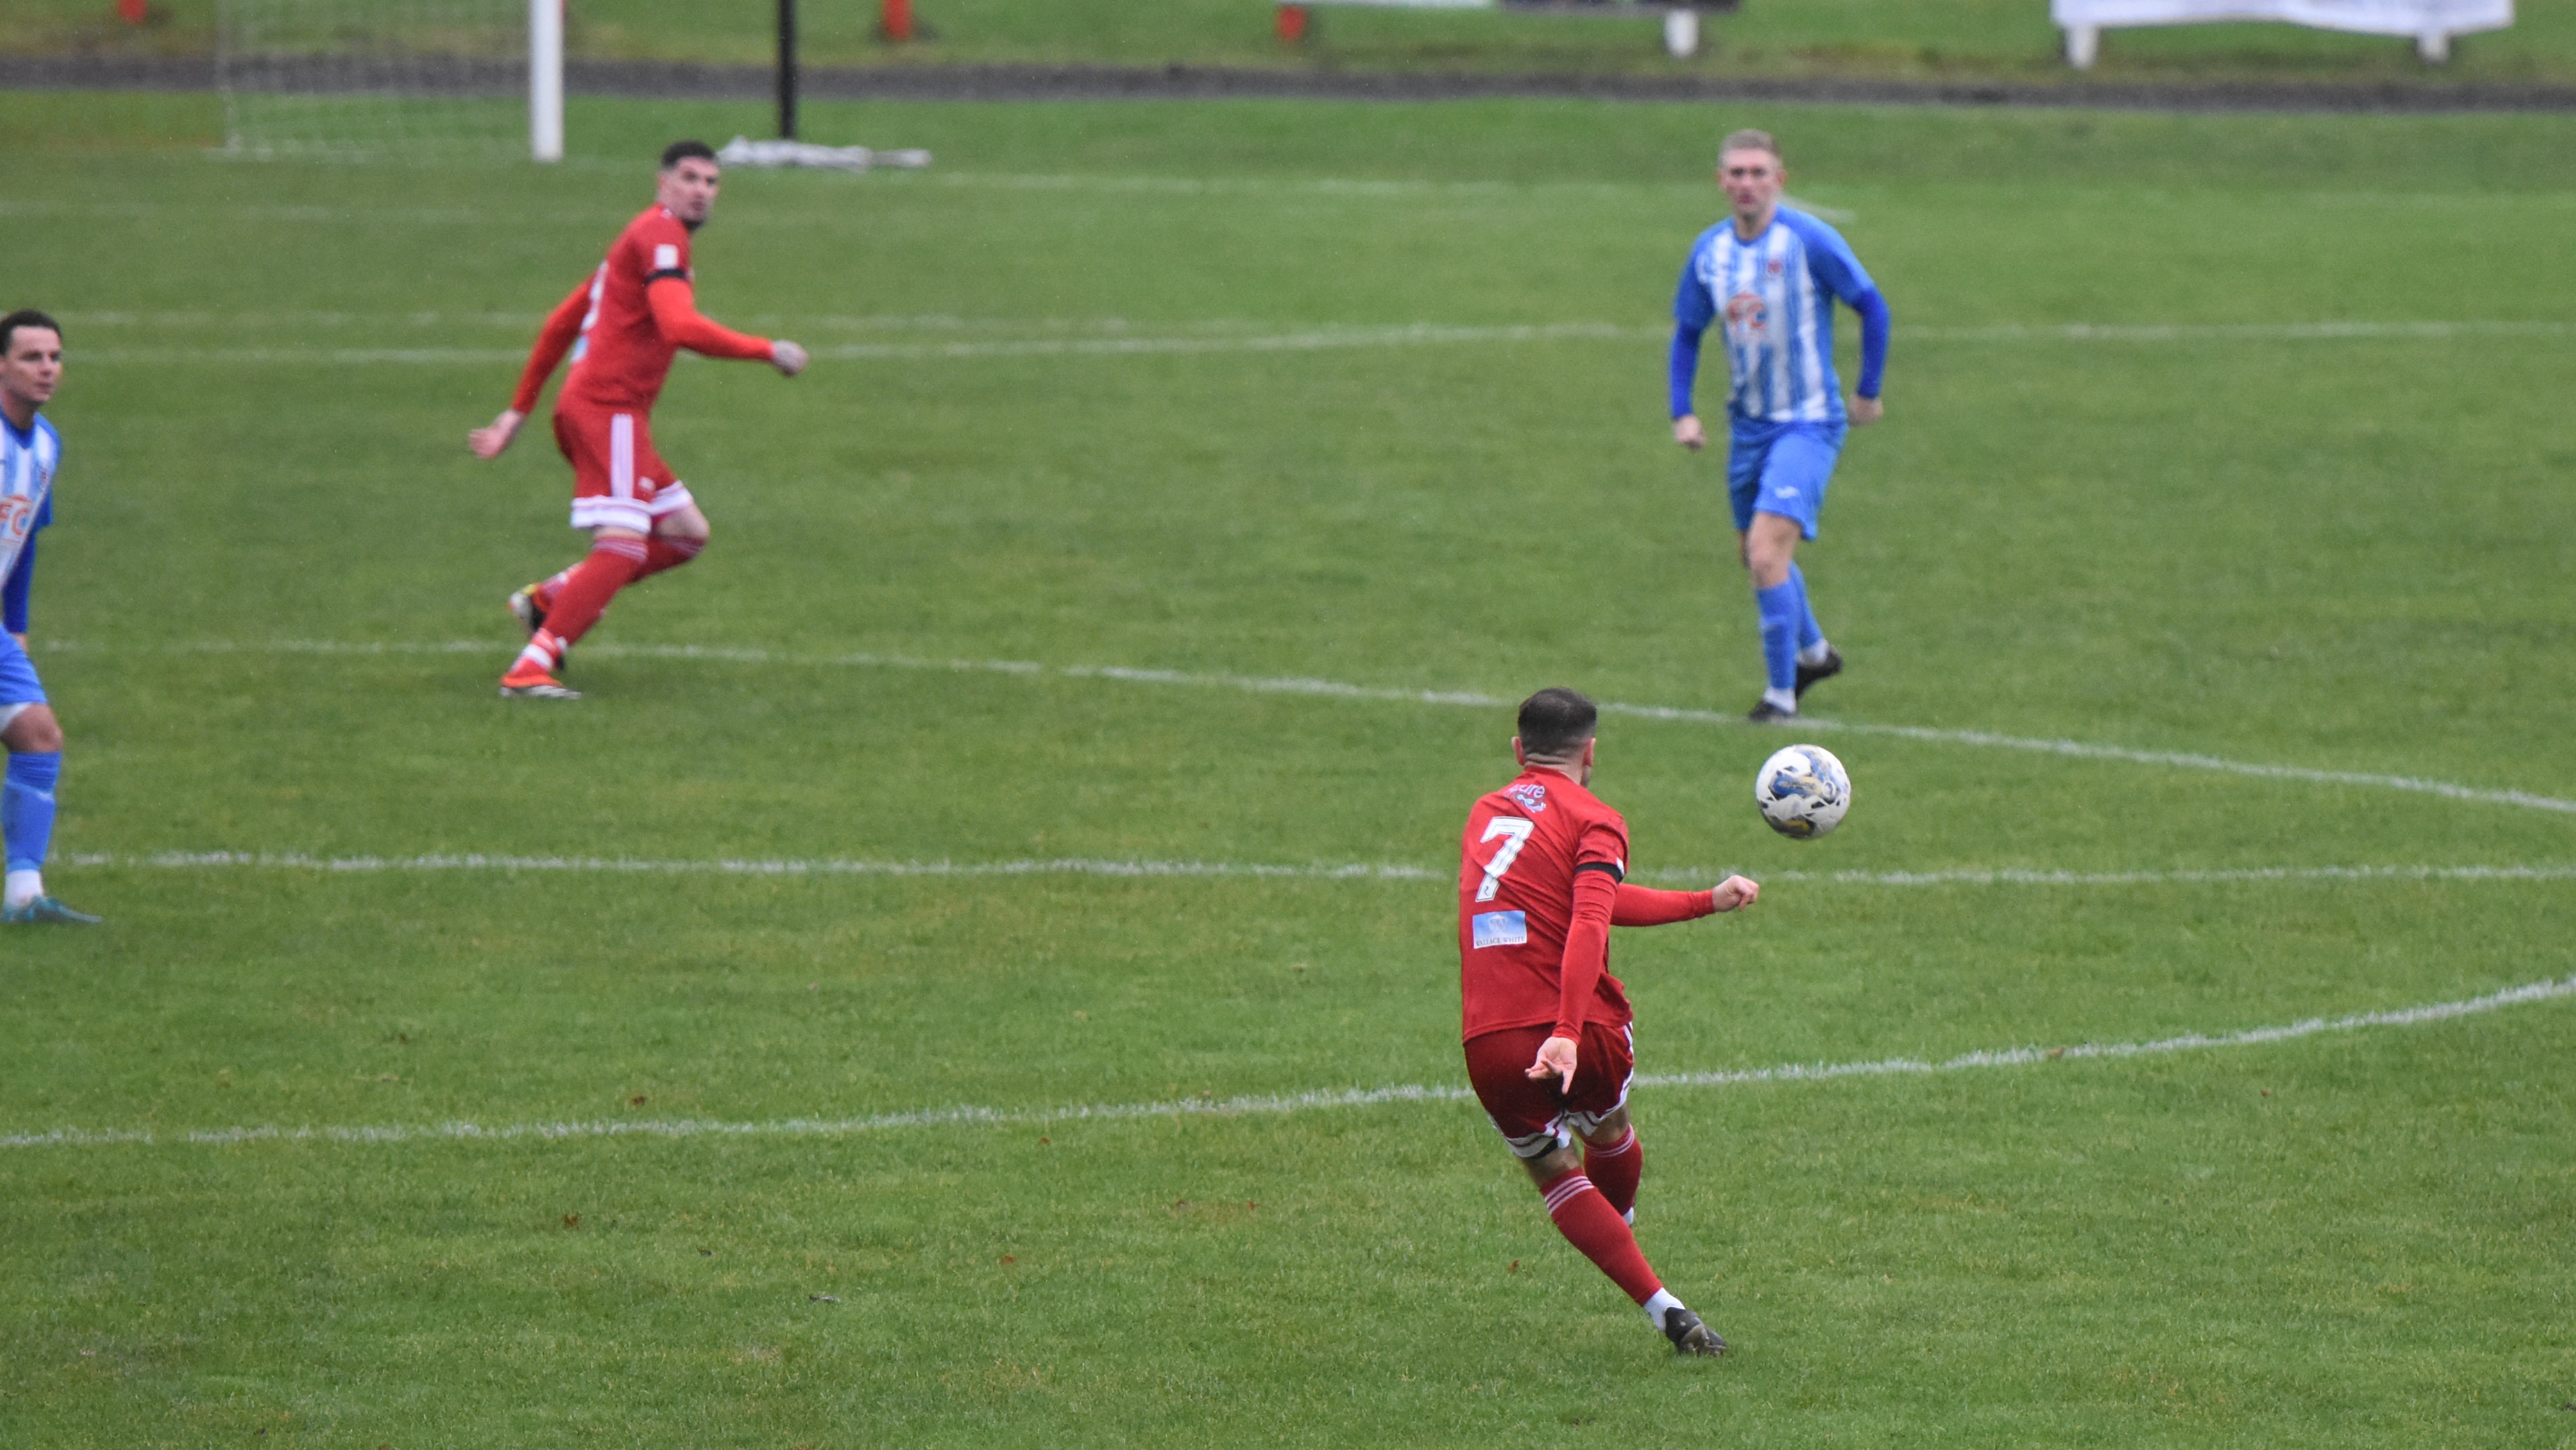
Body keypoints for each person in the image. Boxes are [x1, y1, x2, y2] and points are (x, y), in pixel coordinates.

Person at [1458, 687, 1758, 1356]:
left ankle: (1661, 1305)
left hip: (1491, 1037)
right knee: (1611, 1128)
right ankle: (1618, 1227)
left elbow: (1582, 899)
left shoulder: (1484, 814)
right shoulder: (1595, 818)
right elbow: (1591, 916)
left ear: (1518, 749)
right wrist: (1566, 1031)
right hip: (1582, 1028)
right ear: (1590, 752)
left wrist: (1702, 900)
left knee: (1552, 1167)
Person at [469, 139, 810, 700]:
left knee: (685, 534)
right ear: (662, 183)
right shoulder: (662, 236)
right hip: (610, 410)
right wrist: (767, 350)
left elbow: (562, 322)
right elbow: (680, 326)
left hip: (597, 409)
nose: (701, 191)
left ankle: (548, 600)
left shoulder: (639, 238)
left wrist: (517, 412)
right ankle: (530, 668)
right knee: (624, 543)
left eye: (711, 182)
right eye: (689, 178)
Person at [1670, 129, 1891, 723]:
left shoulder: (1808, 241)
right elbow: (1688, 332)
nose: (1747, 183)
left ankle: (1779, 697)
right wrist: (1682, 410)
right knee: (1755, 555)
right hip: (1749, 427)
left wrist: (1868, 390)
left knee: (1767, 553)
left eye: (1758, 172)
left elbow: (1872, 306)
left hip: (1809, 422)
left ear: (1779, 180)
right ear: (1721, 181)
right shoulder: (1710, 252)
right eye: (1737, 173)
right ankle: (1815, 652)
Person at [0, 310, 99, 924]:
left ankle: (24, 898)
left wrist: (17, 625)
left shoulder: (45, 445)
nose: (47, 369)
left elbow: (25, 539)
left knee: (39, 736)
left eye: (55, 358)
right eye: (31, 357)